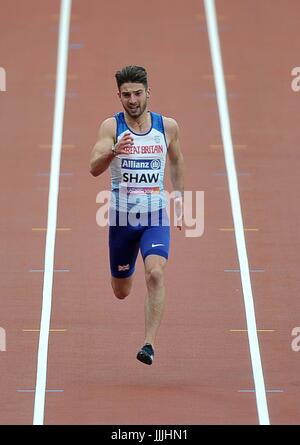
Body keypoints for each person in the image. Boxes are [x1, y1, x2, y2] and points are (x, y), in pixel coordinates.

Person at [90, 65, 184, 365]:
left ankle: (149, 344)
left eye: (138, 93)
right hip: (122, 219)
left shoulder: (166, 127)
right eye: (126, 94)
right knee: (122, 291)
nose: (132, 100)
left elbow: (177, 161)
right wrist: (112, 152)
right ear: (118, 95)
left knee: (155, 273)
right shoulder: (111, 127)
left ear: (148, 93)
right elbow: (93, 167)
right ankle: (122, 273)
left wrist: (180, 197)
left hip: (155, 216)